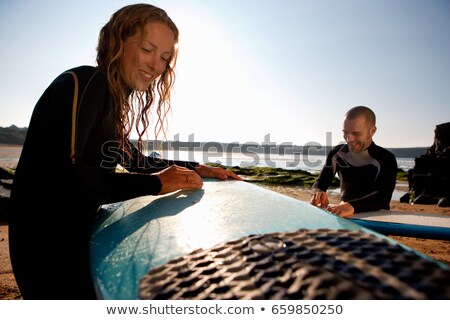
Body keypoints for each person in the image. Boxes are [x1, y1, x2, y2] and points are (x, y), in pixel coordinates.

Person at [9, 4, 241, 300]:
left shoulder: (109, 101)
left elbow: (135, 161)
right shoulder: (86, 82)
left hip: (64, 242)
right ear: (117, 42)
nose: (157, 66)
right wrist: (155, 184)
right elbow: (63, 177)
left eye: (165, 58)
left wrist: (195, 167)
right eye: (147, 49)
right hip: (47, 250)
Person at [310, 106, 398, 218]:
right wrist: (318, 193)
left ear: (372, 131)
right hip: (346, 215)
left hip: (377, 217)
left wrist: (351, 206)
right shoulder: (338, 153)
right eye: (345, 132)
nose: (349, 139)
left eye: (356, 134)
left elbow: (383, 197)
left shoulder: (386, 158)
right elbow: (321, 181)